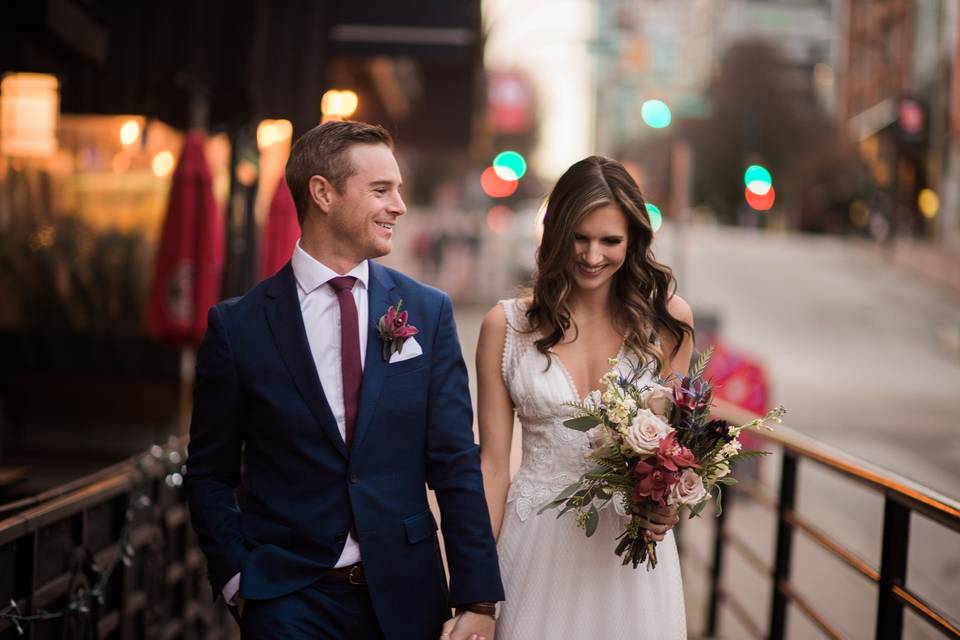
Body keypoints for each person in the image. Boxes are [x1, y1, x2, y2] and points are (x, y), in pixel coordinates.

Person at [185, 120, 504, 640]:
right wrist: (236, 577)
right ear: (323, 194)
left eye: (398, 190)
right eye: (381, 190)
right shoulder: (237, 327)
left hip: (408, 599)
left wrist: (478, 599)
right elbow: (209, 474)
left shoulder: (427, 311)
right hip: (286, 600)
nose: (399, 206)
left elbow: (454, 463)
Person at [477, 156, 694, 638]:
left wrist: (666, 505)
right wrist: (475, 591)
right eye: (580, 237)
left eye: (610, 240)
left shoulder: (669, 323)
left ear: (633, 240)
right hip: (534, 551)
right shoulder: (506, 326)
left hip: (631, 564)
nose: (592, 254)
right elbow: (492, 467)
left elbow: (676, 453)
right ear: (555, 233)